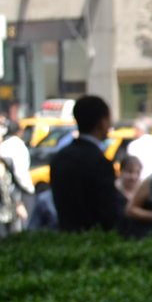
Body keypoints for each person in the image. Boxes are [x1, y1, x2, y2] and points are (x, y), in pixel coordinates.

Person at [49, 96, 128, 233]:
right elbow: (108, 212)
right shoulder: (100, 163)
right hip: (95, 239)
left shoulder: (60, 157)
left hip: (66, 237)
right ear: (103, 123)